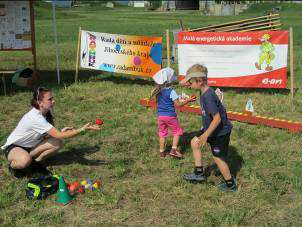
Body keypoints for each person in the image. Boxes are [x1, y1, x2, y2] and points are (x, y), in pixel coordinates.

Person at [1, 87, 100, 178]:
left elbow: (51, 134)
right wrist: (82, 129)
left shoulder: (47, 111)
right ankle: (13, 166)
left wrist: (61, 132)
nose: (53, 101)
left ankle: (36, 164)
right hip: (14, 147)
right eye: (50, 99)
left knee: (58, 142)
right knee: (24, 161)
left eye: (52, 98)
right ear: (40, 102)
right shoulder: (35, 117)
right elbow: (57, 134)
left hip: (31, 146)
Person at [181, 64, 237, 192]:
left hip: (220, 132)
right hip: (209, 127)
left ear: (199, 81)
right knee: (194, 142)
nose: (188, 84)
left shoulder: (208, 97)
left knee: (218, 158)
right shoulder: (203, 90)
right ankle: (199, 173)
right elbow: (186, 81)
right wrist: (186, 81)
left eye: (190, 82)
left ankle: (230, 184)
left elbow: (217, 119)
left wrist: (205, 135)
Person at [150, 67, 196, 158]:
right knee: (177, 132)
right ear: (170, 81)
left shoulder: (158, 91)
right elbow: (178, 105)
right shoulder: (172, 91)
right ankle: (173, 150)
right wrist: (188, 100)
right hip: (170, 116)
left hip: (160, 116)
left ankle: (162, 152)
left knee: (162, 134)